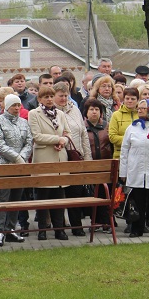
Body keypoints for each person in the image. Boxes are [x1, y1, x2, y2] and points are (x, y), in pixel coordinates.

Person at [28, 86, 70, 241]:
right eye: (46, 97)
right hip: (43, 158)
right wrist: (56, 139)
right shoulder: (34, 114)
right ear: (40, 99)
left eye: (51, 96)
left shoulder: (60, 114)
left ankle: (59, 229)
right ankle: (42, 230)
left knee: (59, 196)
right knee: (43, 196)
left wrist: (63, 141)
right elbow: (37, 136)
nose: (49, 99)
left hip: (59, 158)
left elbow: (67, 133)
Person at [0, 94, 32, 246]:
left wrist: (22, 157)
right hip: (3, 166)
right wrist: (16, 157)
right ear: (7, 106)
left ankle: (11, 229)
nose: (16, 108)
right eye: (13, 105)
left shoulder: (24, 122)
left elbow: (29, 142)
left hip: (20, 166)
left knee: (16, 198)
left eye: (18, 105)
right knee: (3, 198)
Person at [54, 82, 93, 236]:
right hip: (60, 157)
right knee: (59, 193)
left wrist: (87, 156)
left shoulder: (75, 109)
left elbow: (83, 133)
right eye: (60, 95)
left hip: (76, 156)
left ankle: (77, 226)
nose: (64, 98)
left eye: (66, 95)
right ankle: (59, 227)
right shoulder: (51, 112)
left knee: (76, 193)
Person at [119, 100, 149, 237]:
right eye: (139, 108)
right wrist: (123, 172)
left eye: (143, 108)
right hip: (136, 171)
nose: (140, 110)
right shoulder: (132, 128)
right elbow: (124, 151)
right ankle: (137, 228)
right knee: (137, 201)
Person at [108, 87, 139, 159]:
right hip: (120, 155)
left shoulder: (141, 115)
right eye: (127, 98)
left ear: (137, 100)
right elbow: (112, 137)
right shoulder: (116, 115)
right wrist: (131, 140)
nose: (130, 101)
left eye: (133, 99)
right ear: (123, 99)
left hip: (138, 155)